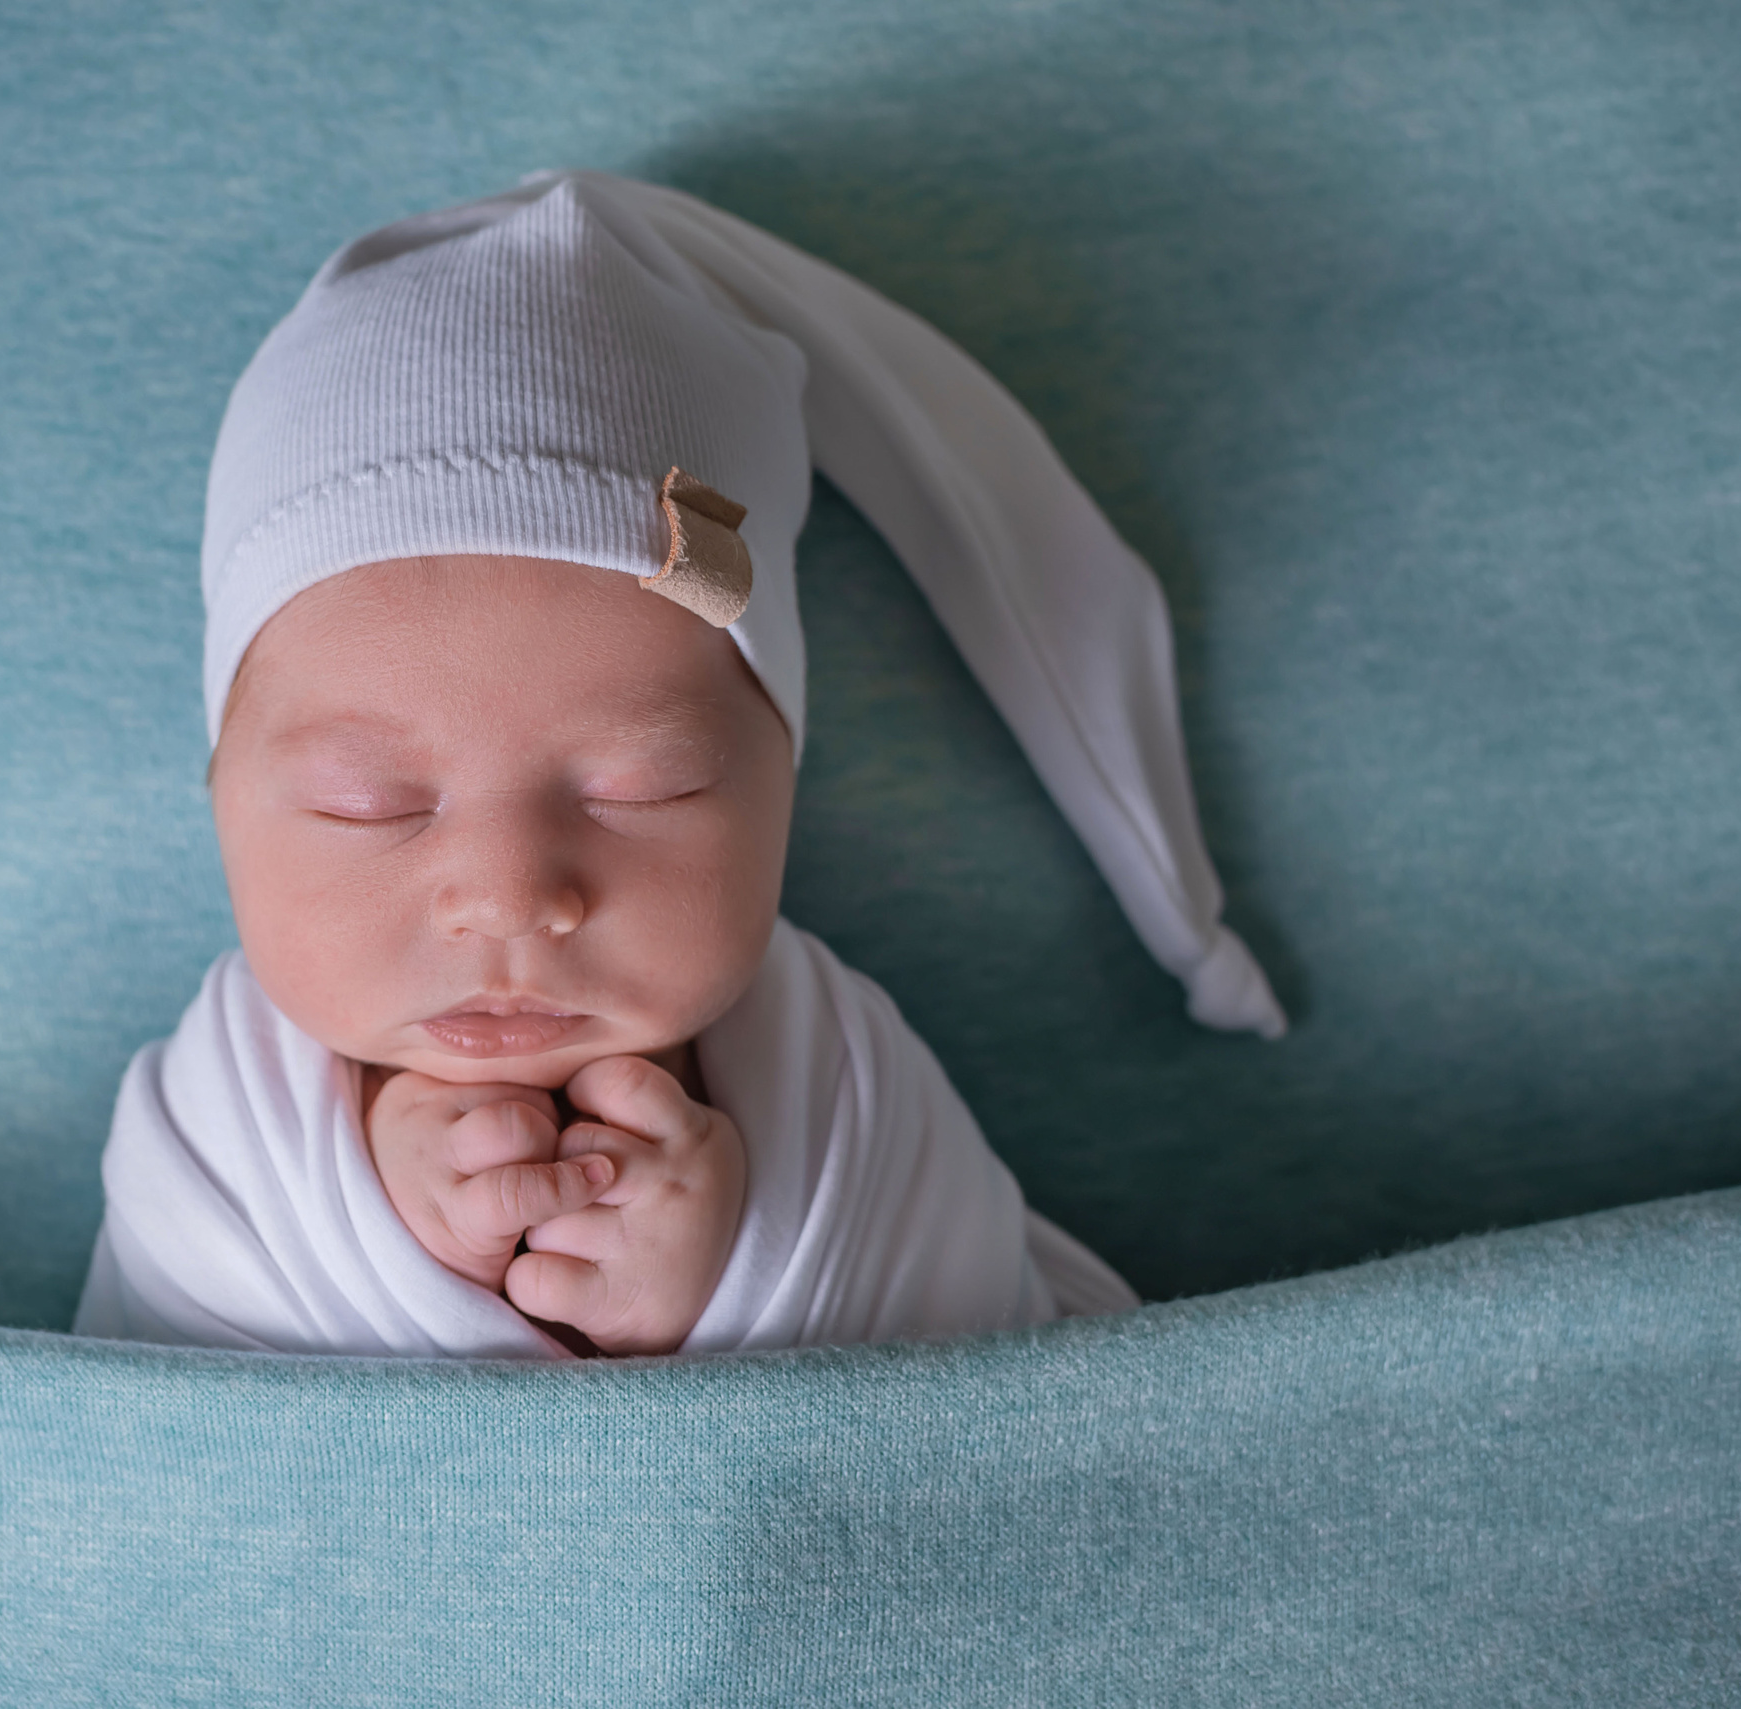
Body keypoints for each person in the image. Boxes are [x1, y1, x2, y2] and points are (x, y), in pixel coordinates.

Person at [73, 170, 1284, 1358]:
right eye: (365, 804)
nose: (506, 894)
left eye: (637, 788)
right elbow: (152, 1459)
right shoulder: (206, 1133)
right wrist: (395, 1242)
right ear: (220, 792)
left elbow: (980, 1397)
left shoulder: (849, 1096)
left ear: (779, 786)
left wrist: (723, 1289)